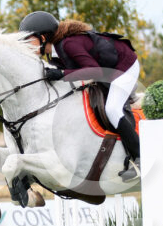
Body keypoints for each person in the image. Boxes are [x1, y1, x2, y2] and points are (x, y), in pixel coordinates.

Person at [19, 11, 141, 180]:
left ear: (43, 37)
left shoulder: (69, 44)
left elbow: (94, 71)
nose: (25, 44)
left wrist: (62, 74)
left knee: (112, 109)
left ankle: (140, 158)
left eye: (28, 39)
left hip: (124, 66)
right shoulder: (53, 53)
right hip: (106, 71)